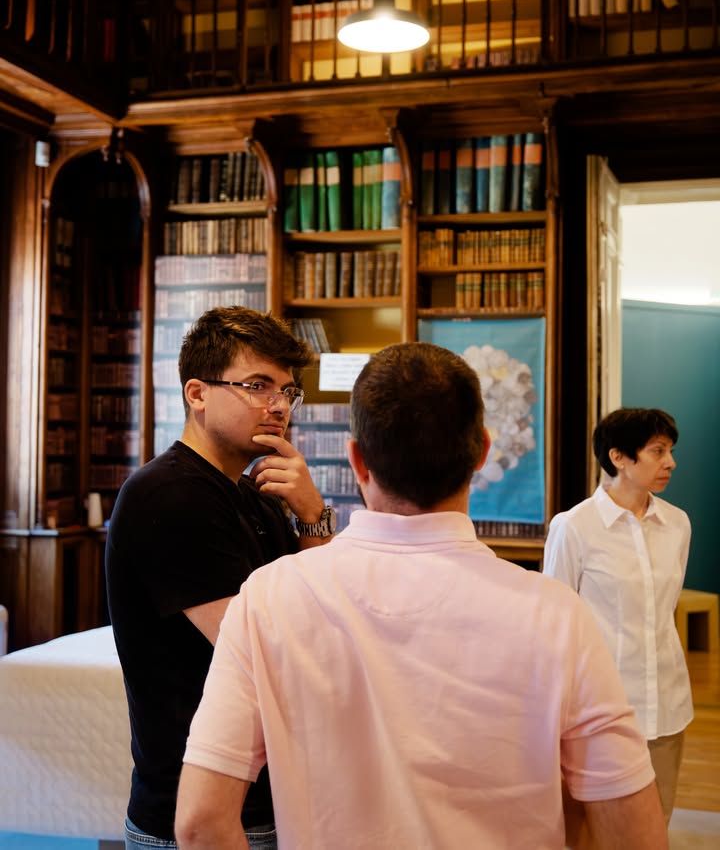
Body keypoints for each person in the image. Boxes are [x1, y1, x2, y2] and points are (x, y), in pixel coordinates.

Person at [175, 341, 667, 850]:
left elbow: (199, 822)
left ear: (356, 460)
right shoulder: (557, 614)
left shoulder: (267, 598)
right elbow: (632, 827)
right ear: (482, 451)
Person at [106, 306, 337, 850]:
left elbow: (324, 606)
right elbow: (266, 653)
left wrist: (313, 516)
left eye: (287, 391)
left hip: (267, 797)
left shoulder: (256, 493)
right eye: (258, 386)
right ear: (197, 393)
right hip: (200, 813)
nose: (278, 405)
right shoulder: (168, 494)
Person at [543, 407, 692, 841]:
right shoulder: (574, 527)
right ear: (619, 457)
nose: (670, 462)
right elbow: (555, 624)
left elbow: (665, 610)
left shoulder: (678, 524)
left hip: (667, 703)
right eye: (658, 451)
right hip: (599, 709)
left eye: (671, 451)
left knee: (654, 828)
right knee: (592, 832)